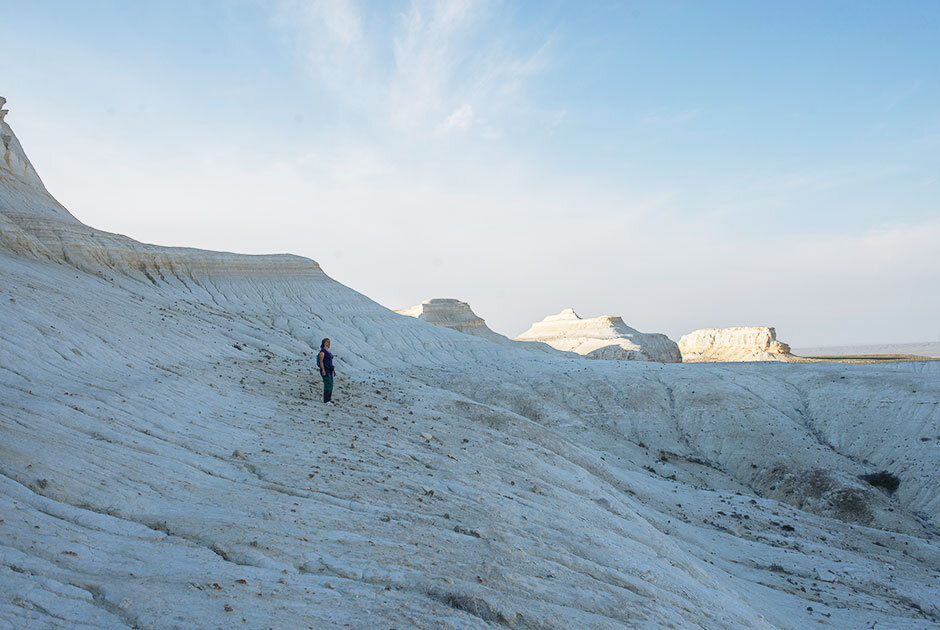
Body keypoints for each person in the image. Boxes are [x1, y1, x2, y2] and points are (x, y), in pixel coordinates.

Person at [317, 338, 335, 404]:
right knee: (327, 384)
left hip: (330, 370)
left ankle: (329, 399)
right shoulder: (322, 352)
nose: (328, 343)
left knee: (331, 384)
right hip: (325, 369)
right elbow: (321, 361)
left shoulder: (328, 351)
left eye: (329, 342)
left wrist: (334, 371)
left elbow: (331, 361)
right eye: (327, 342)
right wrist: (323, 370)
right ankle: (326, 400)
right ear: (324, 343)